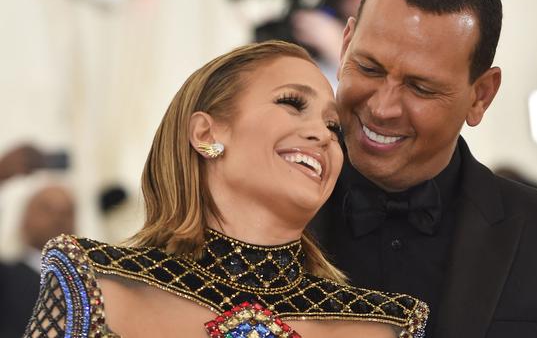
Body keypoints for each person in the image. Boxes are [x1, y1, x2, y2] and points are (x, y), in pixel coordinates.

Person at [309, 0, 537, 337]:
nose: (382, 107)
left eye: (421, 88)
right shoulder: (259, 219)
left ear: (481, 95)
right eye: (369, 68)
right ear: (345, 46)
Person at [23, 41, 428, 338]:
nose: (321, 135)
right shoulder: (94, 283)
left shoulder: (384, 325)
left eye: (333, 127)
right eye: (292, 103)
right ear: (206, 133)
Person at [0, 184, 75, 338]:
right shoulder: (5, 277)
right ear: (24, 218)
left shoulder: (90, 281)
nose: (58, 218)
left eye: (66, 212)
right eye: (47, 209)